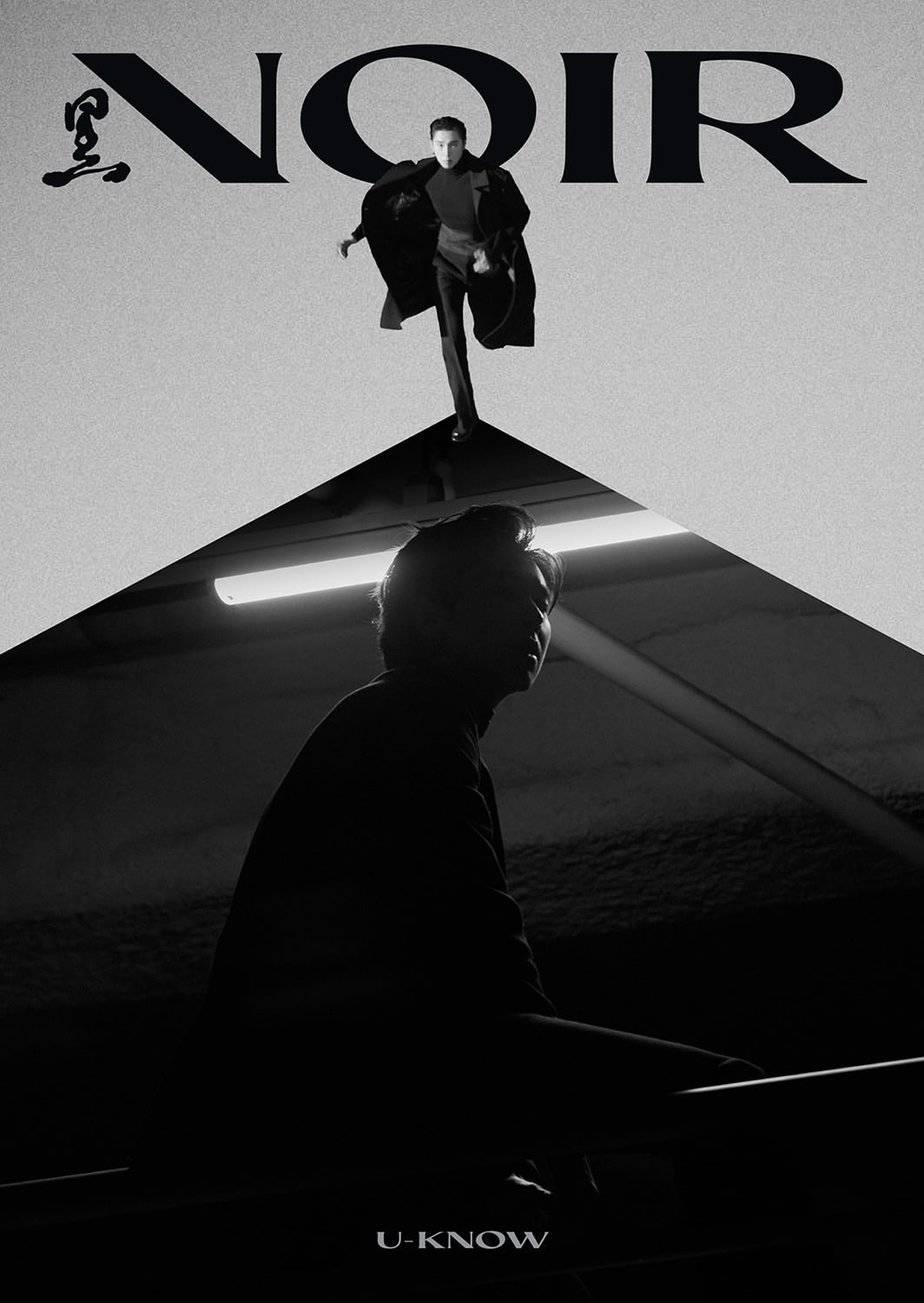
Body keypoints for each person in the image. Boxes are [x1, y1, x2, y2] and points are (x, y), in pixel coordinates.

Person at [136, 505, 760, 1211]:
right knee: (737, 1095)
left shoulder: (400, 717)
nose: (535, 622)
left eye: (542, 606)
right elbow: (483, 948)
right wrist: (564, 1126)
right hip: (360, 1073)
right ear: (432, 614)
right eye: (506, 596)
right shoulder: (412, 721)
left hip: (321, 1086)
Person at [337, 117, 536, 444]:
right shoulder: (424, 173)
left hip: (483, 265)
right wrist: (355, 235)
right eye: (440, 145)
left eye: (453, 144)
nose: (446, 152)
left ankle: (515, 392)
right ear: (431, 144)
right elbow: (392, 205)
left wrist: (492, 250)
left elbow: (520, 214)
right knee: (451, 339)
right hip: (444, 264)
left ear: (464, 143)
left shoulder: (491, 176)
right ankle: (466, 417)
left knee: (491, 333)